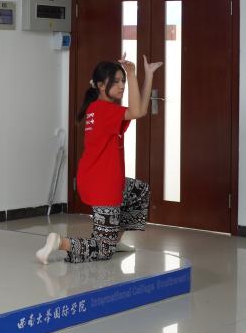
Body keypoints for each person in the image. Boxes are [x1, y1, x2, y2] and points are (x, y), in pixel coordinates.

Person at [37, 56, 161, 265]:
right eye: (117, 81)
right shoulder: (104, 110)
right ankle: (60, 242)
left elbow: (140, 110)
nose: (122, 86)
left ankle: (114, 239)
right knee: (103, 251)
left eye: (123, 81)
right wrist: (132, 74)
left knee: (137, 191)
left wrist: (148, 75)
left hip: (100, 178)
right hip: (104, 184)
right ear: (102, 85)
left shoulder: (98, 108)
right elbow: (138, 111)